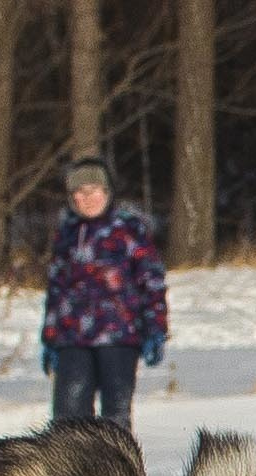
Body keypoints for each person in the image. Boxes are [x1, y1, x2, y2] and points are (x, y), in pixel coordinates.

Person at [40, 156, 168, 433]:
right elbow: (56, 290)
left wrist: (155, 327)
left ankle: (115, 473)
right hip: (73, 339)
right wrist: (50, 338)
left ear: (107, 192)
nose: (88, 198)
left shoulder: (128, 231)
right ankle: (71, 473)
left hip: (119, 337)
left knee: (115, 418)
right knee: (68, 417)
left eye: (94, 191)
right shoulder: (67, 235)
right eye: (80, 192)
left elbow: (152, 282)